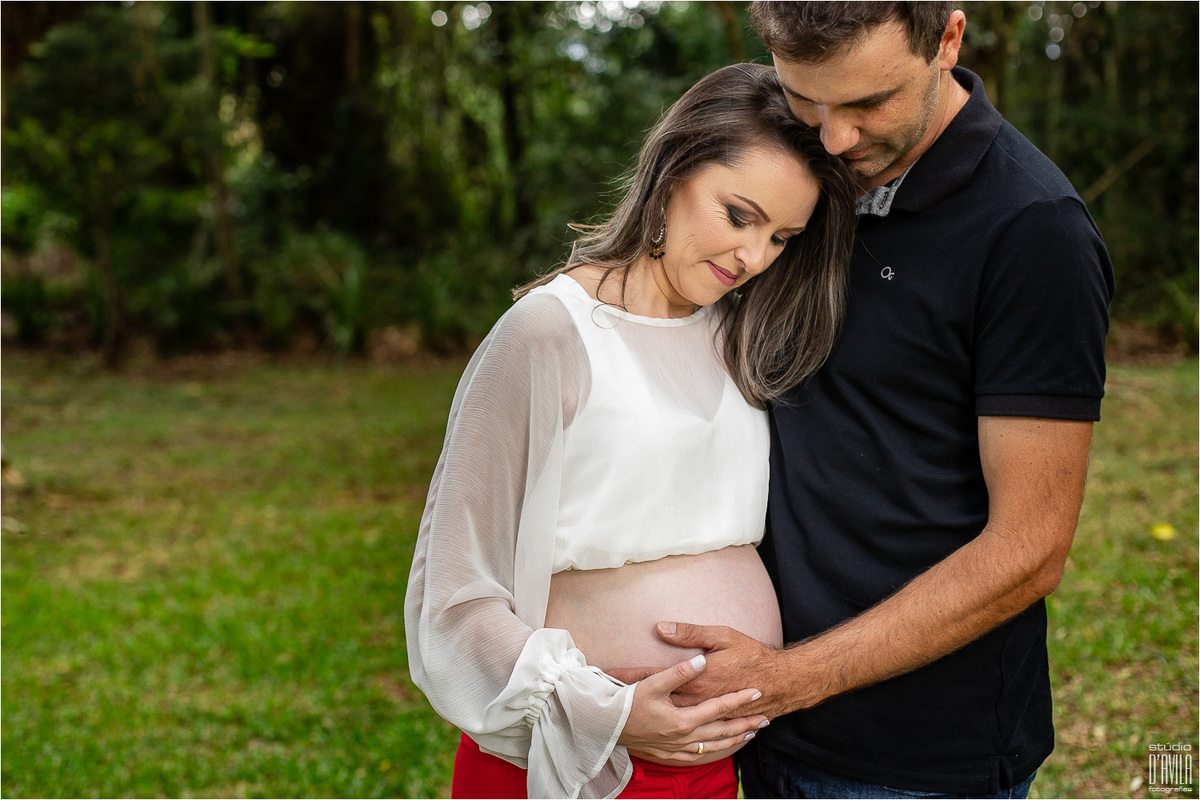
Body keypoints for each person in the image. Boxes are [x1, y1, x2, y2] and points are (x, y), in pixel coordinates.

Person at [623, 3, 1116, 798]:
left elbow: (1028, 550)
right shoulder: (789, 173)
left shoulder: (1034, 232)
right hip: (755, 731)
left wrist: (788, 679)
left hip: (914, 761)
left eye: (868, 103)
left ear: (946, 40)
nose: (833, 139)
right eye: (805, 99)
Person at [404, 63, 857, 800]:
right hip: (576, 762)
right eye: (738, 216)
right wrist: (602, 714)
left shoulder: (737, 335)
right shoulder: (548, 331)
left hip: (710, 766)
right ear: (673, 171)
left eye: (782, 237)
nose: (754, 257)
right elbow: (454, 594)